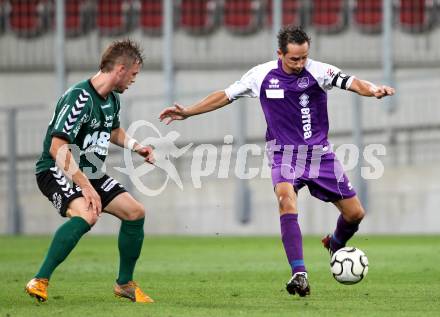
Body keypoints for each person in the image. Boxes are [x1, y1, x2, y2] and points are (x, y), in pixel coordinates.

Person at [159, 26, 395, 297]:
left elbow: (352, 82)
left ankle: (335, 243)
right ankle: (299, 273)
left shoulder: (319, 72)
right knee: (285, 199)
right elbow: (224, 95)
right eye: (294, 58)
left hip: (320, 155)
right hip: (284, 155)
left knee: (355, 214)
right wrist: (188, 112)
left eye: (304, 57)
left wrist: (374, 89)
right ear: (280, 53)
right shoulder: (261, 75)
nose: (300, 63)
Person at [25, 39, 155, 303]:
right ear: (120, 69)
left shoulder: (112, 100)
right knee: (87, 214)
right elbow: (57, 146)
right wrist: (85, 186)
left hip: (90, 173)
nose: (133, 80)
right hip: (56, 169)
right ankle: (39, 280)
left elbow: (113, 129)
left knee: (135, 213)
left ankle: (124, 284)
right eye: (133, 74)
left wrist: (135, 146)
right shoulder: (79, 98)